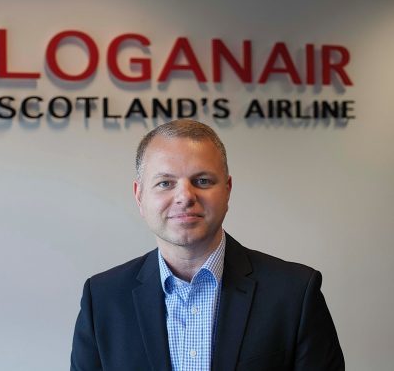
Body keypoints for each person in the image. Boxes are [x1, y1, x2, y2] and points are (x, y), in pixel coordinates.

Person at [70, 119, 344, 371]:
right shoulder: (103, 299)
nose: (185, 196)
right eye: (165, 183)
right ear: (139, 196)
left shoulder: (295, 293)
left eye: (202, 181)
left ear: (227, 189)